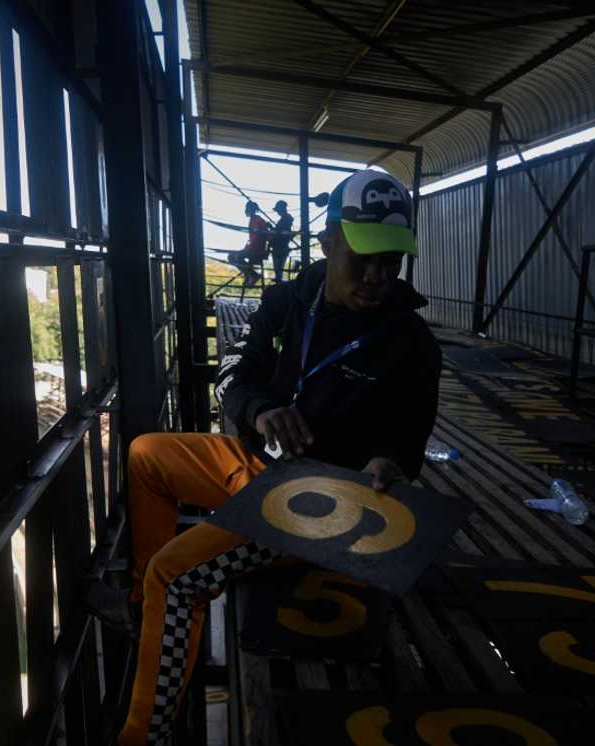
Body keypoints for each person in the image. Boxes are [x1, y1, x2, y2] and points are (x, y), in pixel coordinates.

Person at [104, 170, 441, 746]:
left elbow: (406, 442)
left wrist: (389, 464)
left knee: (178, 575)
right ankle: (143, 603)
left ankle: (142, 737)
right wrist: (259, 410)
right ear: (328, 241)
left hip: (319, 503)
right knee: (146, 455)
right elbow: (233, 372)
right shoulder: (289, 300)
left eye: (391, 261)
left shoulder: (413, 345)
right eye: (362, 256)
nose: (376, 276)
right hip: (254, 464)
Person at [228, 200, 269, 286]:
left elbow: (257, 236)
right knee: (232, 256)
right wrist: (246, 248)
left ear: (251, 209)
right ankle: (249, 274)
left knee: (234, 256)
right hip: (254, 248)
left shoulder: (257, 219)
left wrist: (248, 248)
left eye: (247, 208)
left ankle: (252, 275)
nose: (245, 210)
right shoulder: (255, 219)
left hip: (257, 249)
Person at [268, 199, 295, 283]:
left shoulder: (286, 219)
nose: (277, 212)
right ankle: (279, 281)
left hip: (280, 247)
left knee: (278, 269)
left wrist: (273, 229)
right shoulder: (285, 219)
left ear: (282, 209)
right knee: (278, 269)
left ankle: (279, 283)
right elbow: (278, 232)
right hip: (279, 246)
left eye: (278, 210)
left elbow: (279, 233)